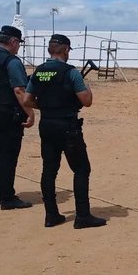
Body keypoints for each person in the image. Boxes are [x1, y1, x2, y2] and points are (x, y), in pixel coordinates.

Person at [24, 34, 106, 229]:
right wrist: (87, 88)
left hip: (47, 125)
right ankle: (83, 216)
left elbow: (27, 100)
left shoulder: (39, 71)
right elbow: (86, 101)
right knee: (81, 169)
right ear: (66, 50)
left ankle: (51, 215)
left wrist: (44, 107)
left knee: (49, 170)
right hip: (68, 126)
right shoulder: (71, 72)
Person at [0, 25, 35, 210]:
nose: (19, 47)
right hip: (7, 112)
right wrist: (30, 113)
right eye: (18, 43)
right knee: (9, 155)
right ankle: (8, 197)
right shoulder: (12, 62)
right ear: (13, 41)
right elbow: (19, 90)